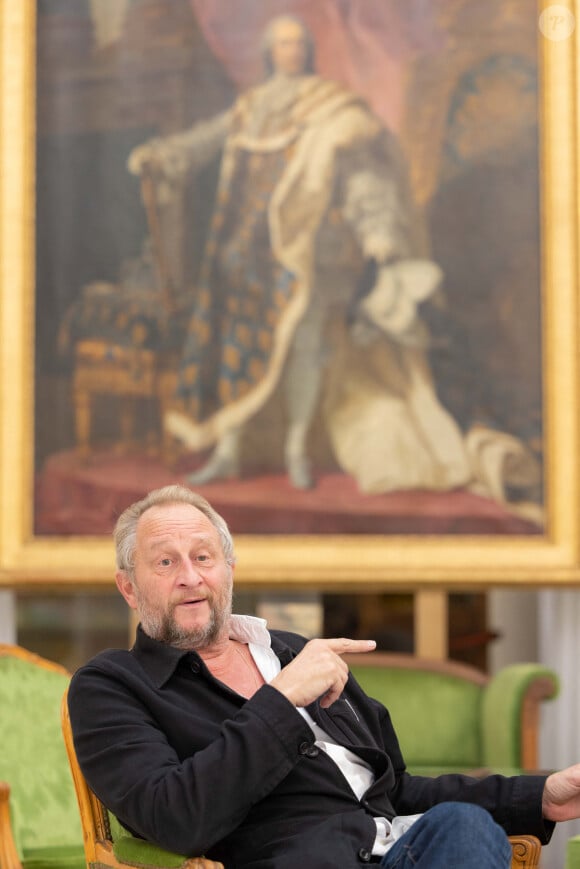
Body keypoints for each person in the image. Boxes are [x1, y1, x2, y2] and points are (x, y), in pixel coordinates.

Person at [68, 484, 580, 868]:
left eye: (204, 557)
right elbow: (174, 816)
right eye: (164, 561)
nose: (190, 576)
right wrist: (281, 699)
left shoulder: (291, 651)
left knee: (464, 827)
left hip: (398, 853)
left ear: (228, 568)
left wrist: (539, 796)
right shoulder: (111, 685)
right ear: (130, 588)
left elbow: (395, 791)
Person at [127, 14, 474, 494]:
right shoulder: (251, 106)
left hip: (307, 253)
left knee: (304, 350)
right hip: (243, 253)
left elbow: (362, 179)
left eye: (297, 43)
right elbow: (204, 141)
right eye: (282, 44)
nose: (290, 51)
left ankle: (295, 451)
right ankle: (229, 453)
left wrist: (379, 237)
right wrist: (164, 156)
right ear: (270, 52)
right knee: (233, 350)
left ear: (306, 49)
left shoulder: (330, 107)